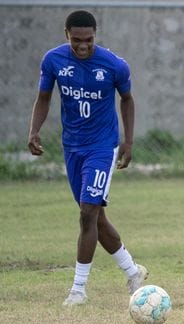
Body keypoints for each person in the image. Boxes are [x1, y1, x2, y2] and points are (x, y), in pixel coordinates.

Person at [27, 10, 148, 307]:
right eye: (77, 40)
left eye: (89, 40)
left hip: (102, 147)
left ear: (96, 35)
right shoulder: (53, 61)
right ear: (66, 34)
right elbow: (43, 98)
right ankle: (133, 271)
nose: (83, 46)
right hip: (72, 147)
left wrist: (127, 142)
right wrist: (34, 131)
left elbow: (127, 99)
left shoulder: (113, 65)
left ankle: (78, 290)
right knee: (95, 216)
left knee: (87, 214)